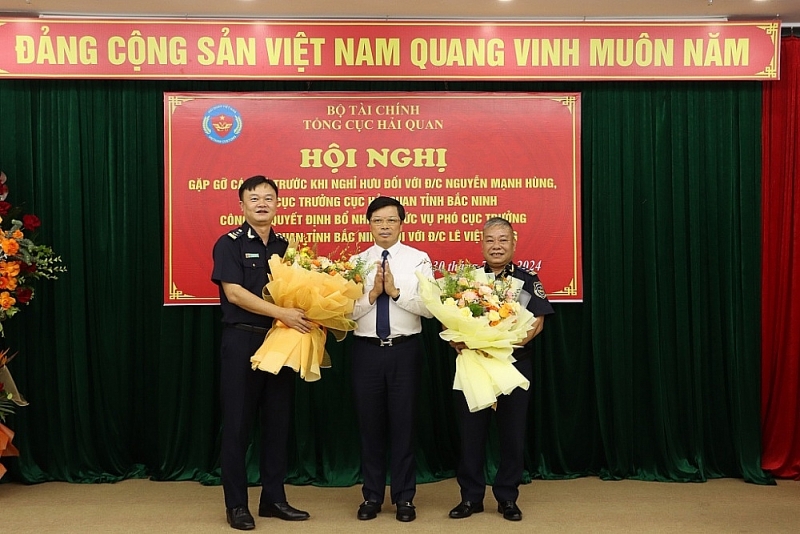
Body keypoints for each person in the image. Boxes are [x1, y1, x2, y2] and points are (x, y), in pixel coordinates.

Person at [211, 175, 313, 531]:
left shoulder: (286, 247)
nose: (262, 203)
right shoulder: (229, 243)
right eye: (254, 198)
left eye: (269, 198)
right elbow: (235, 294)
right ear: (241, 205)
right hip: (242, 341)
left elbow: (301, 293)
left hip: (281, 343)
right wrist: (282, 314)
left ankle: (273, 499)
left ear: (277, 204)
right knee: (238, 426)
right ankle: (237, 505)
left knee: (277, 423)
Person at [448, 216, 555, 522]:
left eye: (502, 240)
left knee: (512, 434)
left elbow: (536, 323)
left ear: (513, 242)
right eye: (490, 240)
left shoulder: (527, 280)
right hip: (474, 364)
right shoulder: (465, 281)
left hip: (513, 365)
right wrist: (456, 338)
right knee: (471, 434)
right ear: (482, 244)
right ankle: (470, 497)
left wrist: (503, 344)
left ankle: (507, 497)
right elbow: (448, 318)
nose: (496, 246)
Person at [348, 196, 434, 523]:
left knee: (404, 425)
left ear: (402, 223)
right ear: (369, 224)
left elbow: (429, 308)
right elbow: (344, 312)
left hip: (405, 350)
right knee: (369, 427)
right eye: (378, 220)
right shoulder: (357, 262)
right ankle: (371, 496)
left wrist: (396, 293)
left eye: (391, 220)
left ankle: (404, 498)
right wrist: (372, 295)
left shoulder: (418, 259)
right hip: (366, 351)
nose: (384, 226)